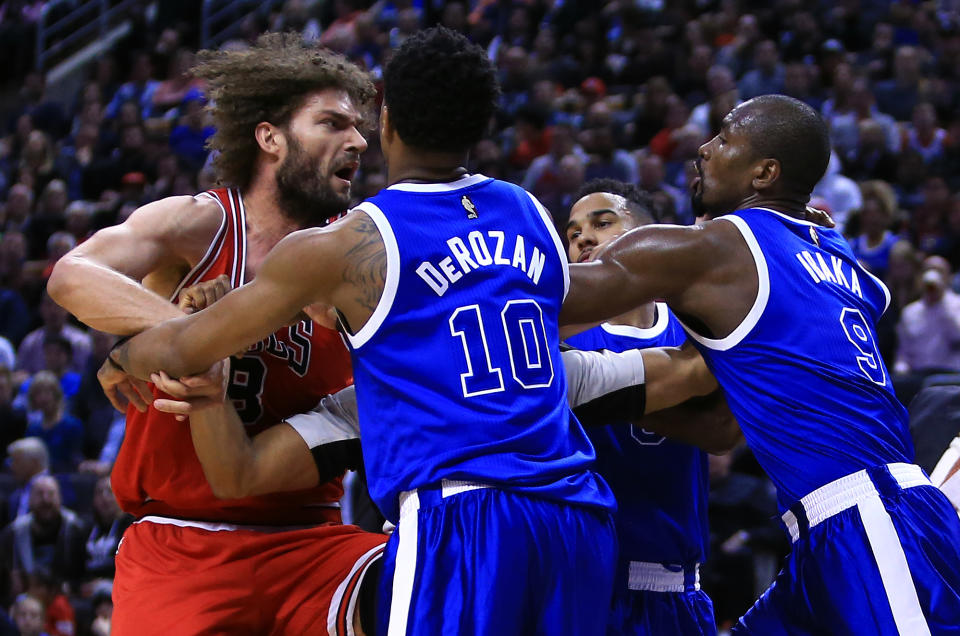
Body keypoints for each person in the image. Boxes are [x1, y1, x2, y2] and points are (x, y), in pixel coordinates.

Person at [111, 27, 618, 635]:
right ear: (483, 123)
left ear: (387, 119)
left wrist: (124, 355)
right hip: (579, 512)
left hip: (462, 515)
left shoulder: (351, 244)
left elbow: (186, 347)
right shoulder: (530, 211)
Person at [559, 94, 960, 633]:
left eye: (724, 138)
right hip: (828, 530)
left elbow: (553, 301)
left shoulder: (725, 245)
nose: (704, 147)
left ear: (764, 172)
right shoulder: (835, 255)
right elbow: (721, 426)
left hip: (871, 522)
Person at [47, 33, 386, 635]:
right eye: (333, 123)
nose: (359, 141)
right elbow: (72, 276)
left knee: (436, 579)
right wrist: (188, 333)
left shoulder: (358, 249)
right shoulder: (199, 224)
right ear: (269, 137)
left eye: (359, 127)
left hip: (311, 540)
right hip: (182, 542)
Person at [563, 178, 739, 635]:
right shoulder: (553, 332)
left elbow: (724, 433)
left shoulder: (692, 328)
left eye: (602, 223)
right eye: (572, 232)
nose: (583, 236)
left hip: (670, 588)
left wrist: (609, 395)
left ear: (647, 238)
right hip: (576, 580)